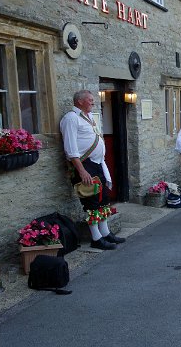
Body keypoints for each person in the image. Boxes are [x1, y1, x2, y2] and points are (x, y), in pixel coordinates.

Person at [60, 90, 125, 250]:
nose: (93, 102)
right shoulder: (71, 118)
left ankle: (105, 233)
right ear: (80, 101)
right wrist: (82, 171)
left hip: (96, 163)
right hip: (84, 165)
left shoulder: (87, 117)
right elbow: (70, 148)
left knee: (103, 199)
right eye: (90, 100)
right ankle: (96, 238)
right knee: (91, 201)